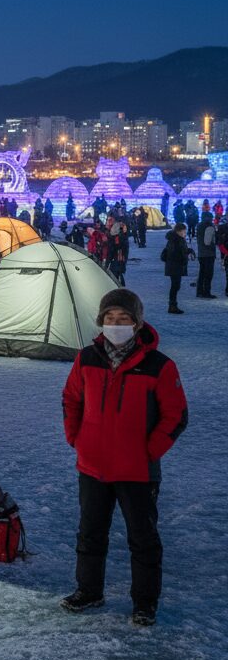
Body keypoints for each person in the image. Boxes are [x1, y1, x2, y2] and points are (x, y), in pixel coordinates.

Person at [61, 288, 188, 626]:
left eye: (123, 319)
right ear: (101, 321)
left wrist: (149, 451)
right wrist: (76, 437)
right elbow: (71, 398)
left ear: (137, 323)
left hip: (137, 471)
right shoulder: (87, 358)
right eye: (109, 318)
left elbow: (175, 416)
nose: (115, 324)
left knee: (143, 539)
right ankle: (89, 591)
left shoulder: (159, 365)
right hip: (93, 466)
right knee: (90, 533)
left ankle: (144, 603)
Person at [161, 222, 194, 314]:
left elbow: (181, 251)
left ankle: (173, 305)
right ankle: (172, 306)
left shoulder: (177, 239)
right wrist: (184, 258)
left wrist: (189, 251)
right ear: (179, 231)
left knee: (176, 286)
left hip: (175, 266)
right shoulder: (176, 240)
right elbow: (175, 254)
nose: (185, 233)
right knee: (175, 286)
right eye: (184, 231)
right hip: (175, 266)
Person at [195, 211, 216, 299]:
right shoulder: (209, 226)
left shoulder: (199, 226)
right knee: (208, 274)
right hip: (208, 254)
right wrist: (214, 246)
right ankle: (207, 292)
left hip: (201, 253)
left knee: (202, 273)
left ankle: (199, 291)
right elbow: (208, 242)